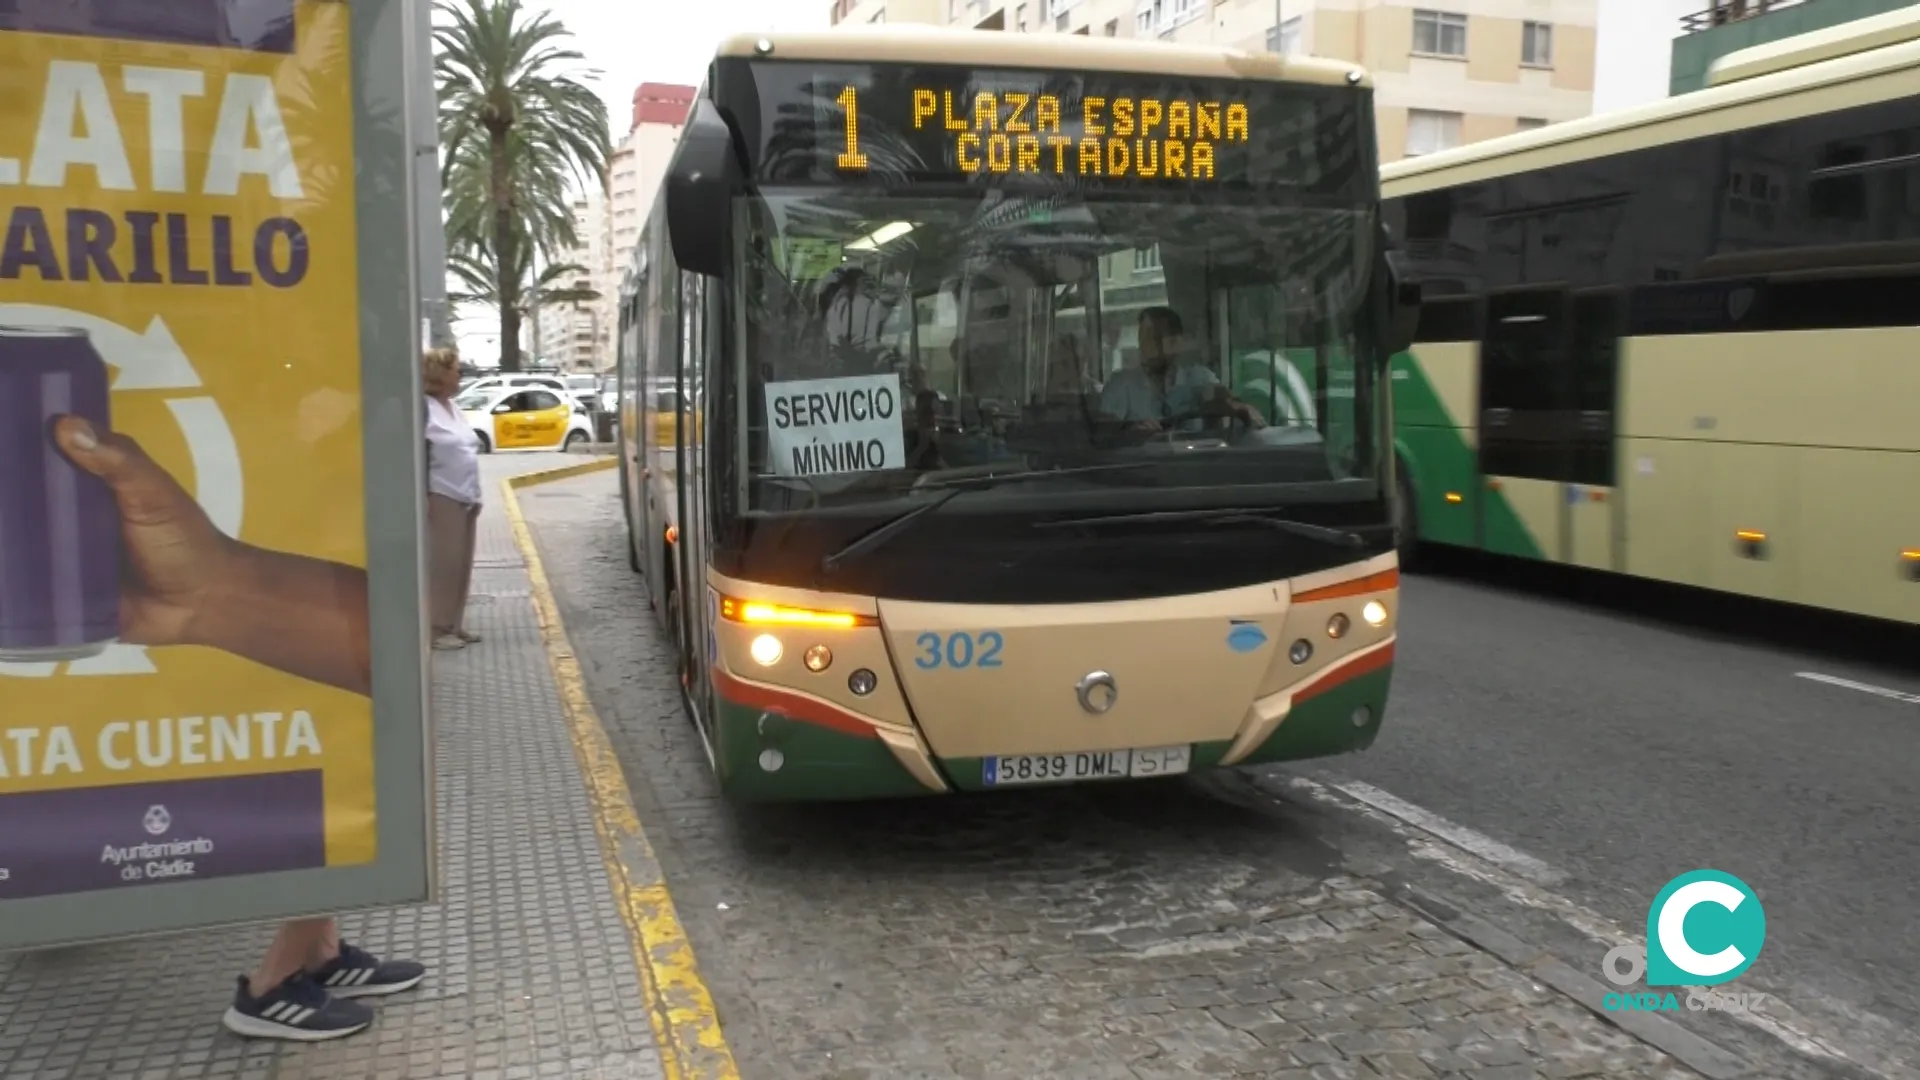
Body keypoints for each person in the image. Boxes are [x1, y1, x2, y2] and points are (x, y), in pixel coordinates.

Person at [49, 416, 426, 1043]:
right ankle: (269, 988)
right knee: (339, 800)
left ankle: (319, 953)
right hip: (289, 654)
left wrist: (215, 592)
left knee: (342, 794)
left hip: (304, 634)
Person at [1098, 306, 1265, 432]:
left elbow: (1222, 396)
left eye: (1155, 338)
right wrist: (1131, 434)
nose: (1146, 346)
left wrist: (1239, 407)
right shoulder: (1120, 385)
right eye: (1143, 338)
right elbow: (1103, 435)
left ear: (1176, 343)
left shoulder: (1197, 378)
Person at [422, 347, 483, 650]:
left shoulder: (452, 407)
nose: (460, 375)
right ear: (441, 374)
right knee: (442, 565)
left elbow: (467, 449)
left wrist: (477, 494)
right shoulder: (424, 408)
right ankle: (436, 629)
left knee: (461, 562)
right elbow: (418, 455)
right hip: (441, 495)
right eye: (456, 369)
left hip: (465, 495)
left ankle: (454, 623)